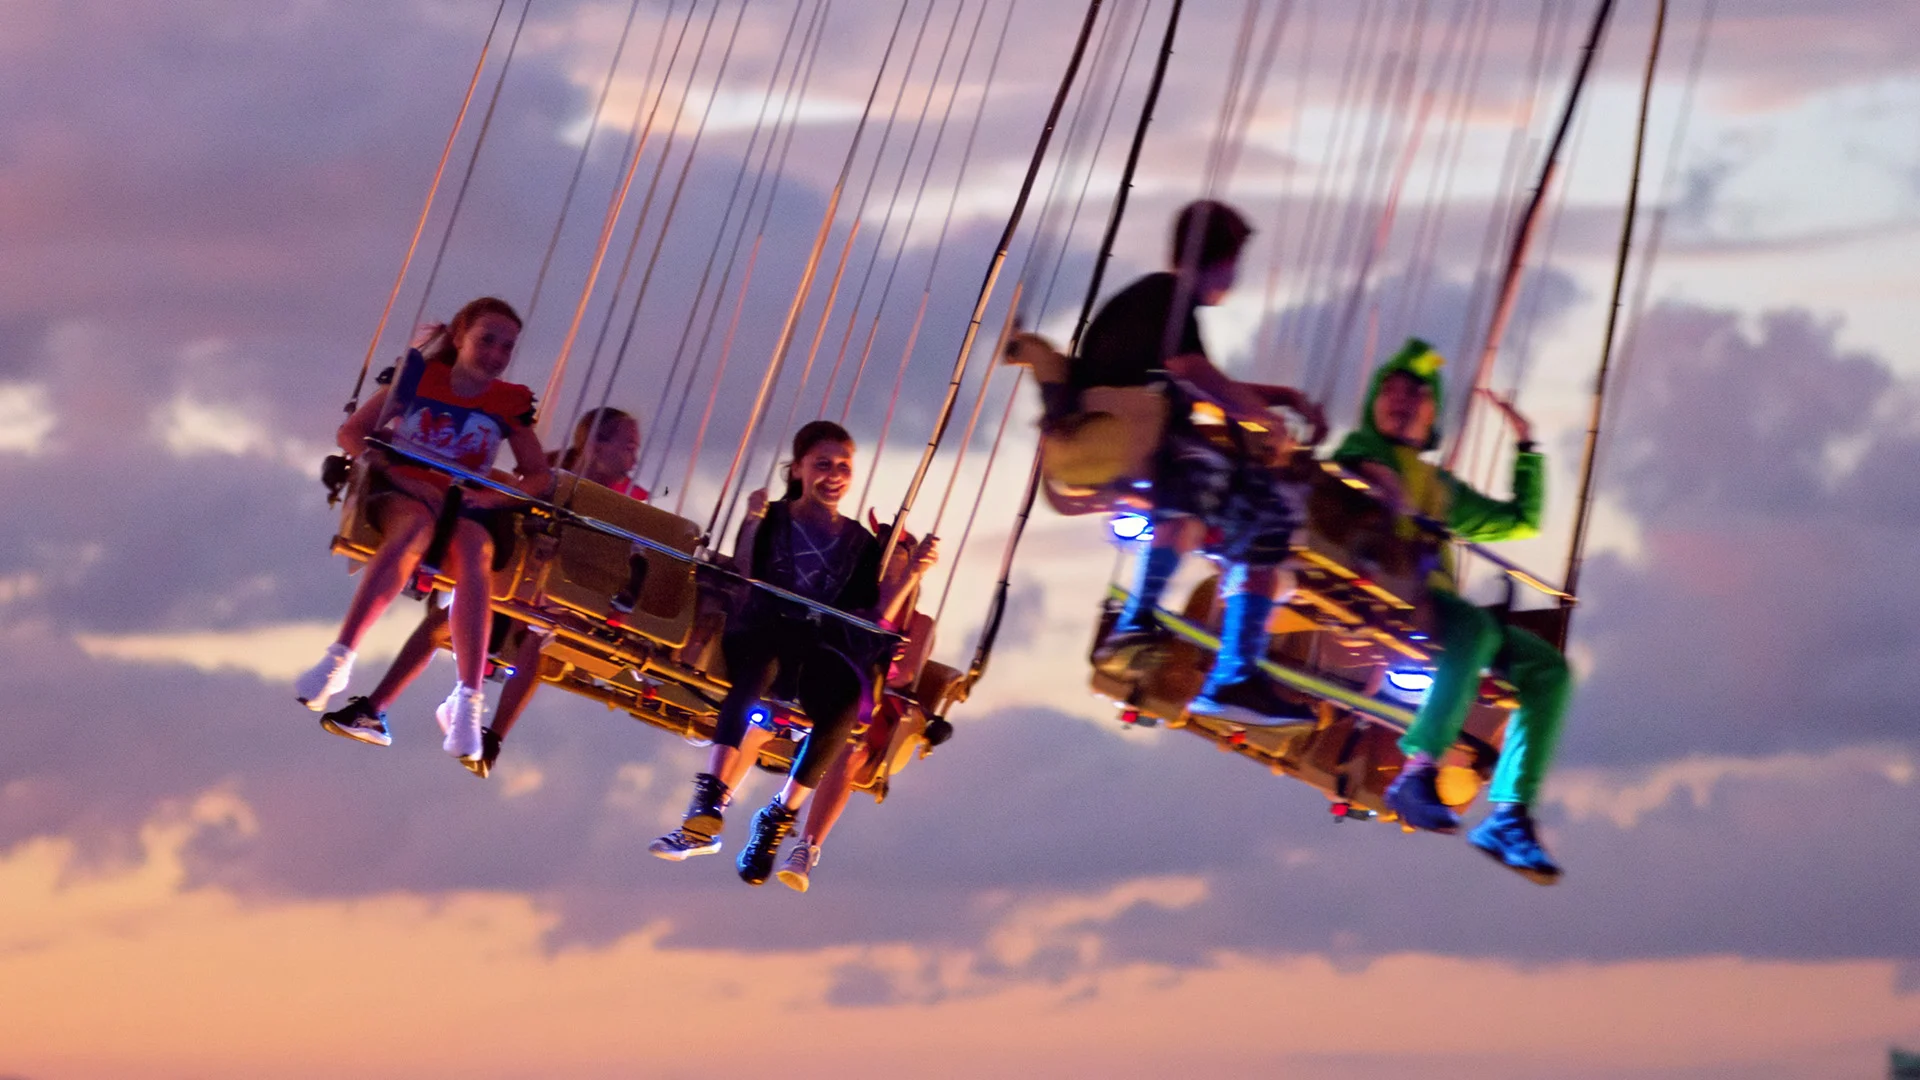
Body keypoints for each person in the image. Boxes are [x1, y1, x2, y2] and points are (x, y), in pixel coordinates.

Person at [648, 421, 935, 885]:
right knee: (759, 671)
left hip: (817, 644)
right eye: (823, 464)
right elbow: (744, 572)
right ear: (799, 468)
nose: (834, 474)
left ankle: (779, 818)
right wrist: (750, 523)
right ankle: (711, 795)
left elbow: (877, 612)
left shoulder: (860, 542)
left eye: (843, 466)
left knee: (842, 707)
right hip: (763, 627)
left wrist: (913, 575)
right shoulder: (775, 517)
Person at [1075, 200, 1327, 725]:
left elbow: (1197, 377)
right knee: (1202, 476)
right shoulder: (1167, 297)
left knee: (1270, 511)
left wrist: (1281, 397)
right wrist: (1264, 417)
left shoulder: (1163, 304)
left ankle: (1236, 673)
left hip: (1141, 427)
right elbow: (1190, 372)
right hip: (1130, 434)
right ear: (1223, 262)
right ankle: (1136, 619)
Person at [1333, 338, 1572, 885]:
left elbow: (1520, 521)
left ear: (1434, 412)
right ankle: (1418, 769)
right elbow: (1358, 473)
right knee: (1474, 627)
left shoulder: (1438, 486)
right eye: (1389, 390)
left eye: (1415, 393)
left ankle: (1509, 814)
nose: (1400, 401)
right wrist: (1385, 489)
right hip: (1391, 586)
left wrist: (1527, 445)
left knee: (1549, 670)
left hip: (1439, 602)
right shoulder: (1360, 448)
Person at [320, 407, 646, 777]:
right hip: (517, 574)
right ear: (595, 444)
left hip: (561, 594)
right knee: (445, 623)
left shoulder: (630, 505)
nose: (634, 458)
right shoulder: (550, 476)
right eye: (628, 447)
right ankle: (375, 707)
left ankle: (491, 739)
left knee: (542, 637)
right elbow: (513, 508)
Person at [294, 297, 552, 764]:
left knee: (476, 556)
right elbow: (354, 432)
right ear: (460, 337)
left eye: (506, 347)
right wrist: (388, 468)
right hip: (405, 488)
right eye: (486, 340)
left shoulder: (509, 402)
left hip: (465, 502)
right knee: (412, 530)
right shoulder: (420, 378)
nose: (496, 354)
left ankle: (469, 699)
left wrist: (496, 496)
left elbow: (538, 476)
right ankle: (340, 657)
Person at [775, 516, 938, 893]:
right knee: (774, 705)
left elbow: (903, 676)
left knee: (851, 748)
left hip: (874, 696)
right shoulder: (843, 595)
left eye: (896, 553)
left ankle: (807, 848)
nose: (887, 561)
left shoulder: (918, 622)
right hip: (823, 678)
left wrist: (883, 649)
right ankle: (722, 798)